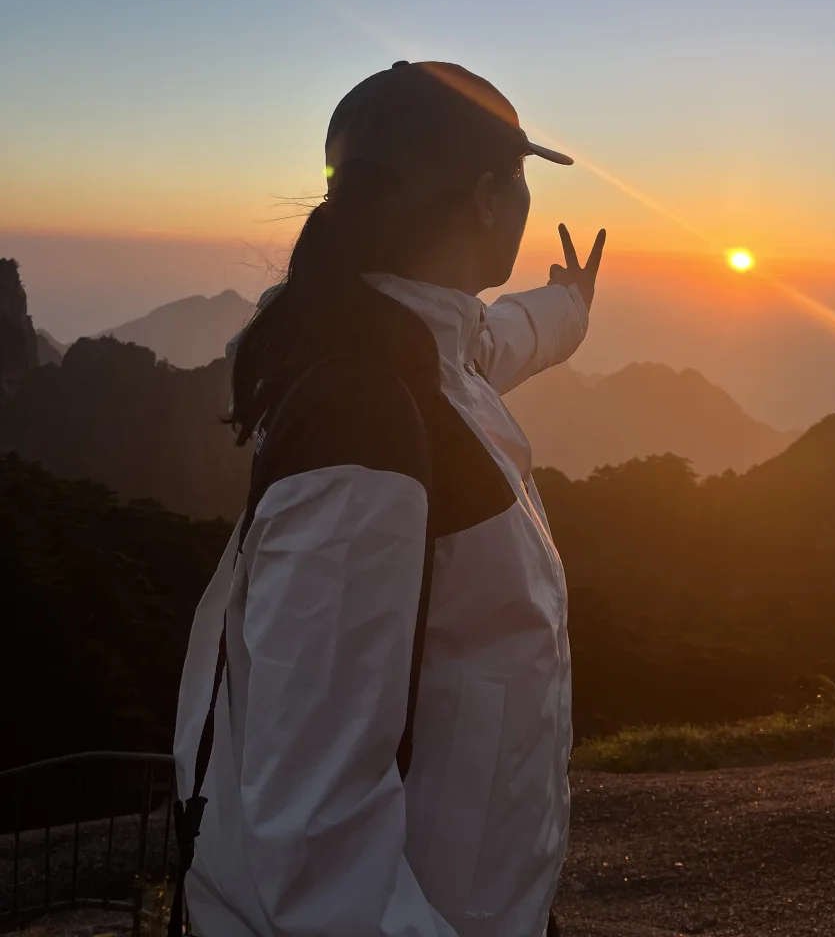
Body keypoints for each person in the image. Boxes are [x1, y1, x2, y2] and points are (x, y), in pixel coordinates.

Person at [173, 60, 605, 937]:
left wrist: (568, 307)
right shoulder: (362, 421)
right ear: (487, 199)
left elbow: (495, 342)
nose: (524, 203)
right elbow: (314, 843)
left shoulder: (399, 342)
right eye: (519, 180)